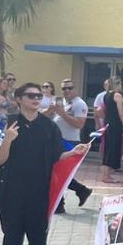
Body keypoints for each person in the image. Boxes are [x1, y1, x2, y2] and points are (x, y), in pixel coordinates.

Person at [0, 83, 90, 245]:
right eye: (31, 95)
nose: (36, 99)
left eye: (38, 96)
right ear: (19, 99)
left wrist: (73, 152)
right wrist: (8, 139)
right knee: (11, 233)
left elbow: (57, 155)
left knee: (37, 233)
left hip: (39, 188)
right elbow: (0, 159)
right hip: (11, 188)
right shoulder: (9, 123)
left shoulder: (48, 126)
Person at [50, 78, 93, 213]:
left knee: (60, 173)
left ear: (75, 89)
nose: (67, 91)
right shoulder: (62, 102)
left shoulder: (79, 104)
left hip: (70, 142)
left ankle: (61, 203)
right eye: (64, 88)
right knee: (57, 172)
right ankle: (80, 191)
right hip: (58, 141)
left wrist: (62, 114)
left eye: (70, 88)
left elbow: (80, 124)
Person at [101, 76, 123, 184]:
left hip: (108, 123)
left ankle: (106, 174)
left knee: (108, 148)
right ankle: (107, 176)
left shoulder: (106, 95)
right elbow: (121, 112)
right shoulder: (117, 95)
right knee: (113, 149)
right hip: (115, 124)